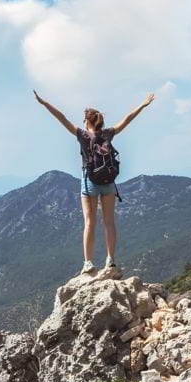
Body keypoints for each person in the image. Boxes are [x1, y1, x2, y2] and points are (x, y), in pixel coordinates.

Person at [34, 90, 155, 274]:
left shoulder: (82, 135)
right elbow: (127, 119)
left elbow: (61, 117)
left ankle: (88, 263)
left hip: (90, 182)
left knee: (90, 222)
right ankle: (111, 260)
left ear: (87, 121)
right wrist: (143, 105)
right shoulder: (107, 134)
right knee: (109, 222)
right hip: (108, 182)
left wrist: (44, 103)